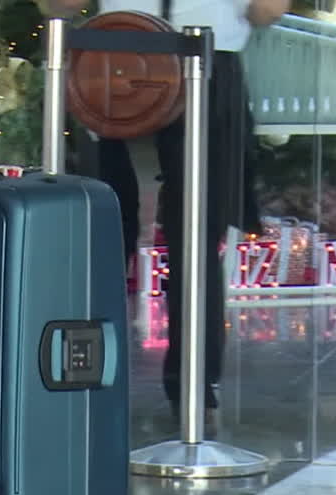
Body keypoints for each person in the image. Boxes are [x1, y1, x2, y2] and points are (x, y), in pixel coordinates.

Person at [93, 0, 288, 420]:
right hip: (202, 59)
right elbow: (268, 9)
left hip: (115, 59)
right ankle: (193, 384)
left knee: (105, 230)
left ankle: (86, 372)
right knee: (195, 233)